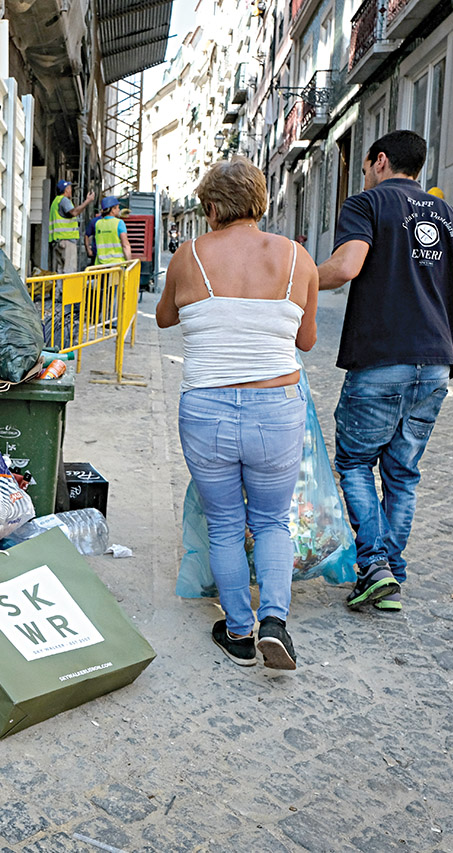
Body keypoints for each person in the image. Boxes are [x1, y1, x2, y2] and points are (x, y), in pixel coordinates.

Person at [317, 131, 453, 613]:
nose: (364, 175)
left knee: (356, 463)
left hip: (381, 360)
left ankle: (376, 566)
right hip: (435, 368)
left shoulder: (365, 204)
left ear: (380, 161)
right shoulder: (449, 216)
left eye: (365, 167)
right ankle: (389, 577)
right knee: (402, 474)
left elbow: (345, 267)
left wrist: (286, 275)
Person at [157, 157, 319, 670]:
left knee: (225, 524)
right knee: (272, 521)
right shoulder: (298, 258)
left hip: (207, 410)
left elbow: (163, 318)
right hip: (277, 408)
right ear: (261, 199)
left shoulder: (189, 256)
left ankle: (239, 631)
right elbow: (306, 339)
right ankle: (274, 621)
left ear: (209, 208)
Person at [49, 180, 95, 273]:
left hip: (58, 241)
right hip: (67, 241)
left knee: (60, 271)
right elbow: (74, 212)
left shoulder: (56, 202)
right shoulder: (64, 200)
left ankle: (60, 288)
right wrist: (88, 201)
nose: (71, 191)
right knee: (69, 270)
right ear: (66, 190)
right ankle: (67, 288)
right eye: (70, 188)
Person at [91, 196, 133, 265]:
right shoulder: (119, 223)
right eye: (118, 207)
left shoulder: (98, 224)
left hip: (100, 266)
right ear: (113, 209)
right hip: (116, 266)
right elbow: (125, 245)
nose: (119, 210)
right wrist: (129, 263)